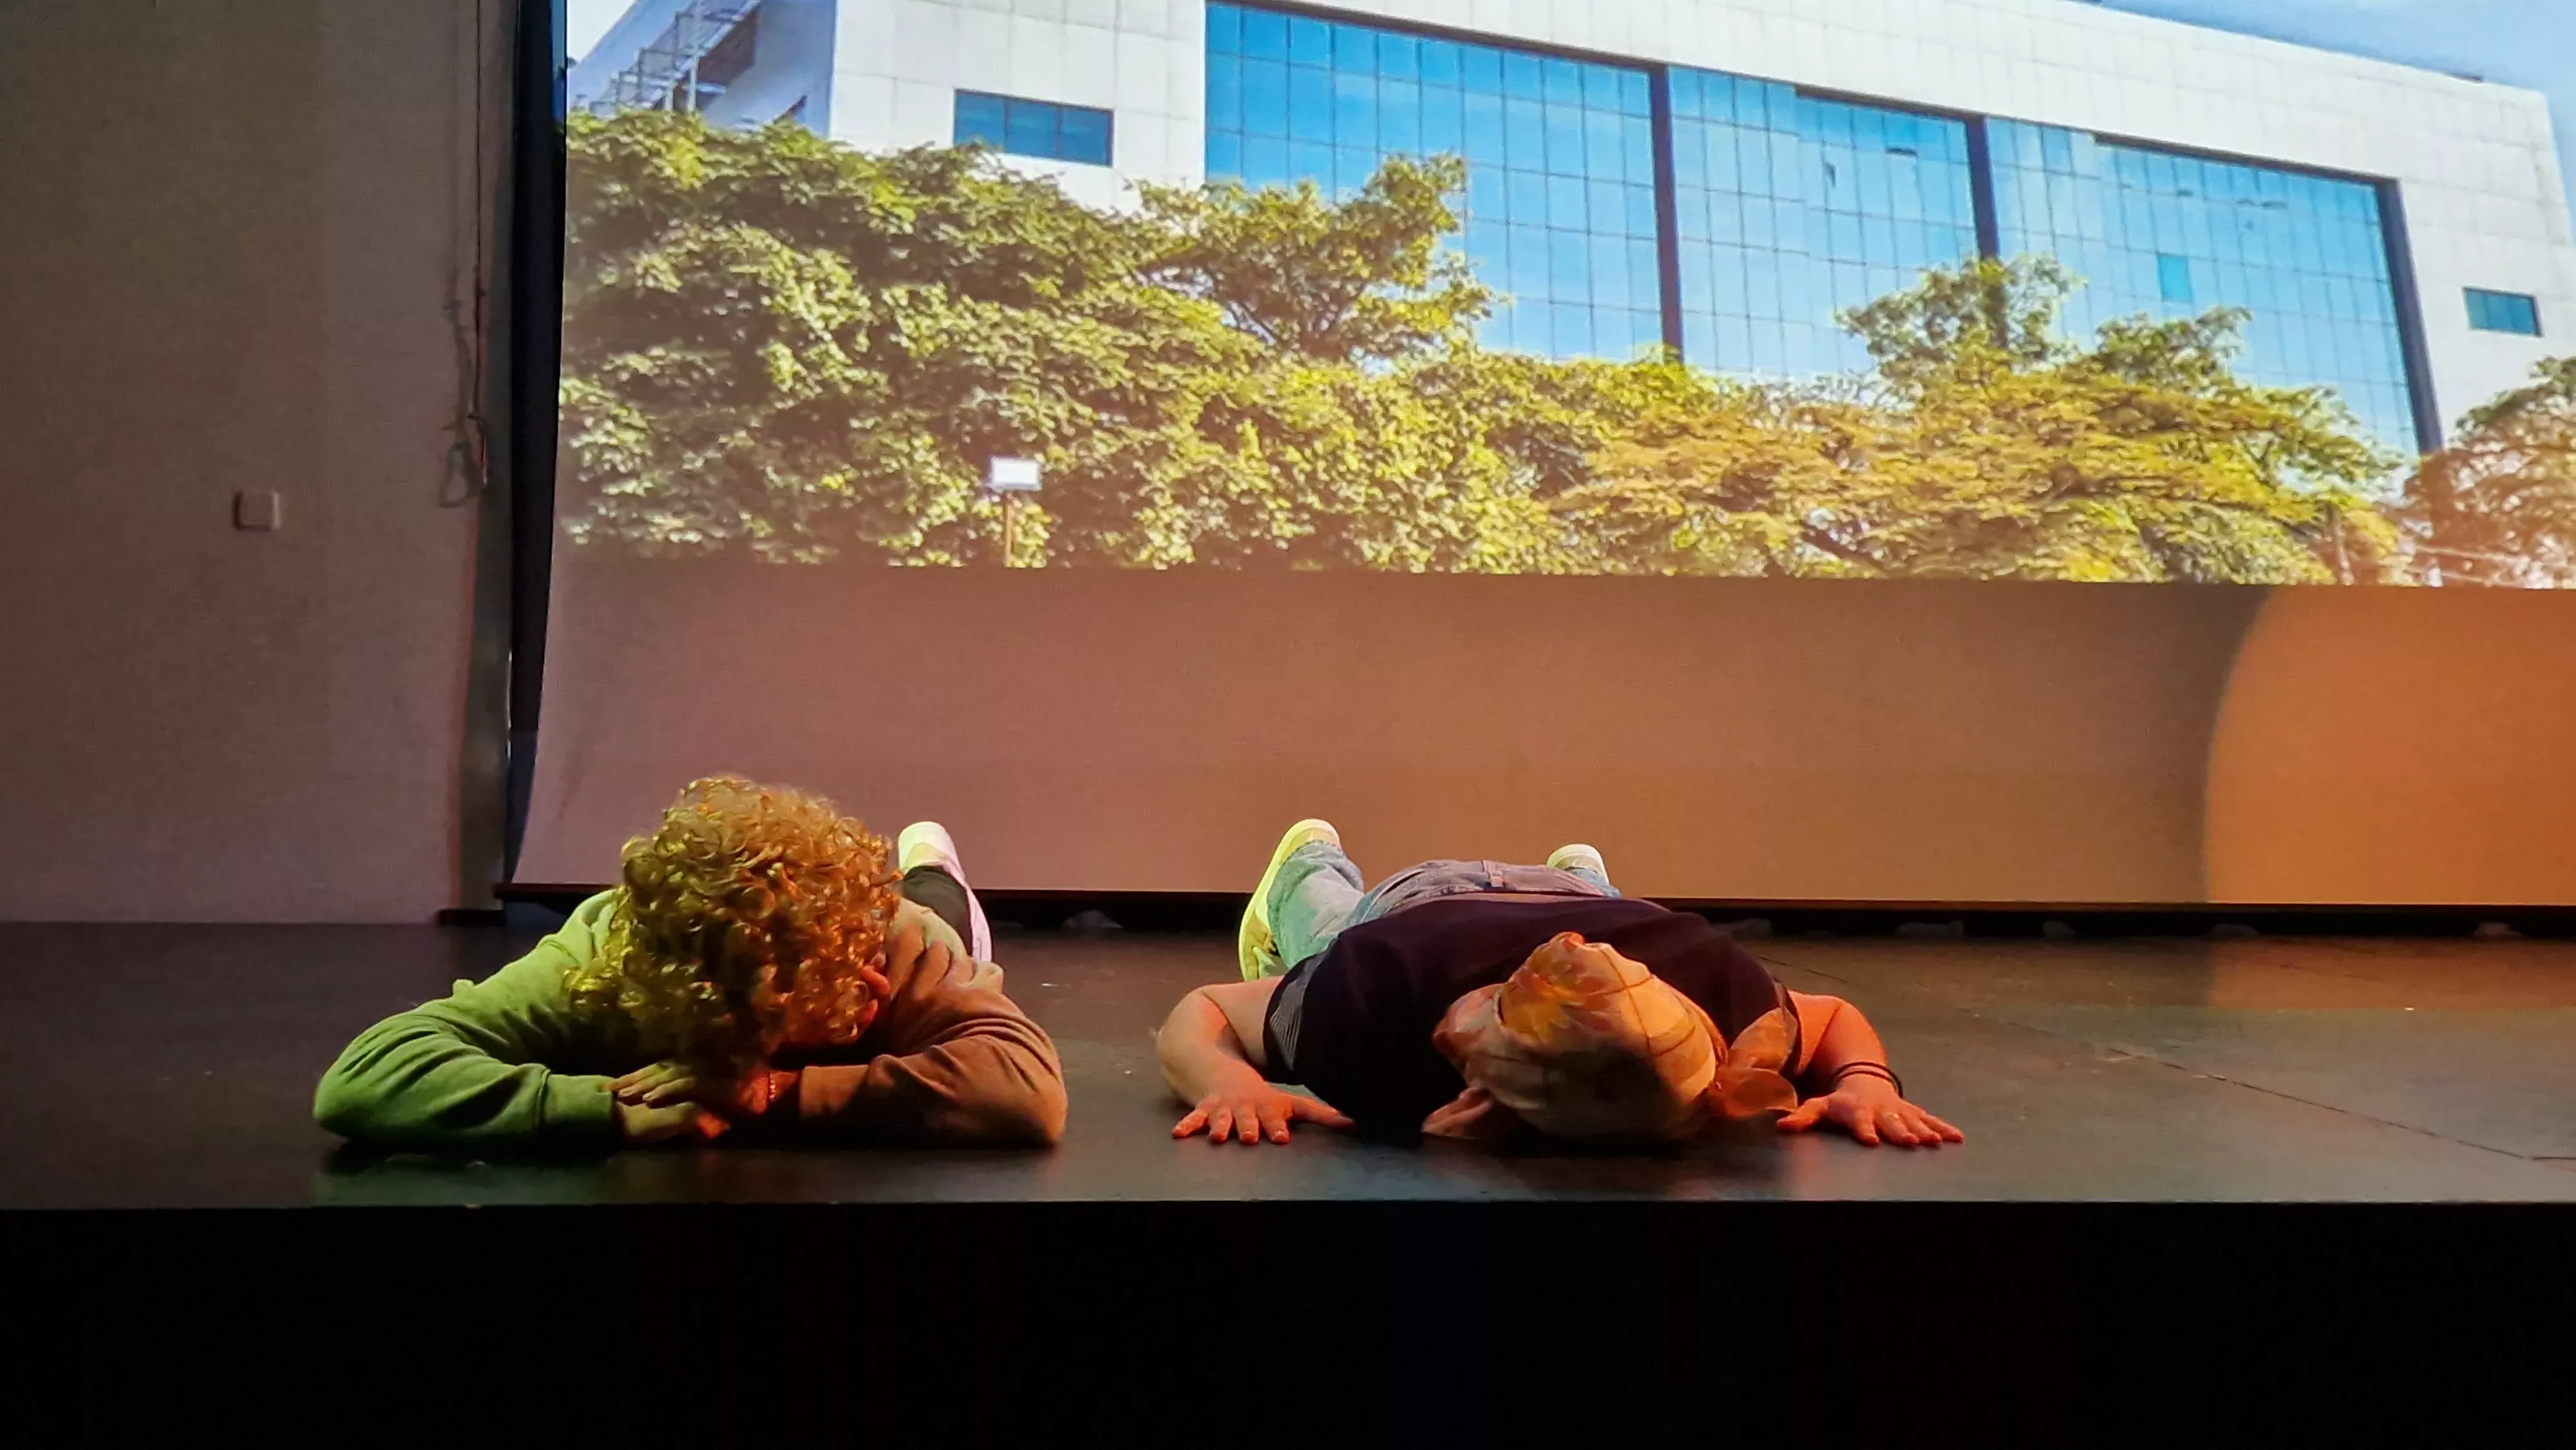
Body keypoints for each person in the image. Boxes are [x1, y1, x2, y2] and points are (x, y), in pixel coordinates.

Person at [316, 777, 1065, 1150]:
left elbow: (1027, 1091)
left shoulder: (896, 936)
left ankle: (929, 855)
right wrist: (606, 1107)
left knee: (945, 907)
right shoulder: (603, 955)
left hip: (923, 913)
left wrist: (778, 1089)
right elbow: (365, 1078)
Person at [1155, 820, 1962, 1149]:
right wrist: (1232, 1077)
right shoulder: (1374, 1002)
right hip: (1426, 904)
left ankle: (1583, 879)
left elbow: (1828, 1019)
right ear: (1468, 1101)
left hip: (1593, 915)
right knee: (1325, 928)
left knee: (1596, 906)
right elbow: (1210, 1008)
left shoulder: (1719, 990)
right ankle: (1307, 858)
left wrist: (1863, 1078)